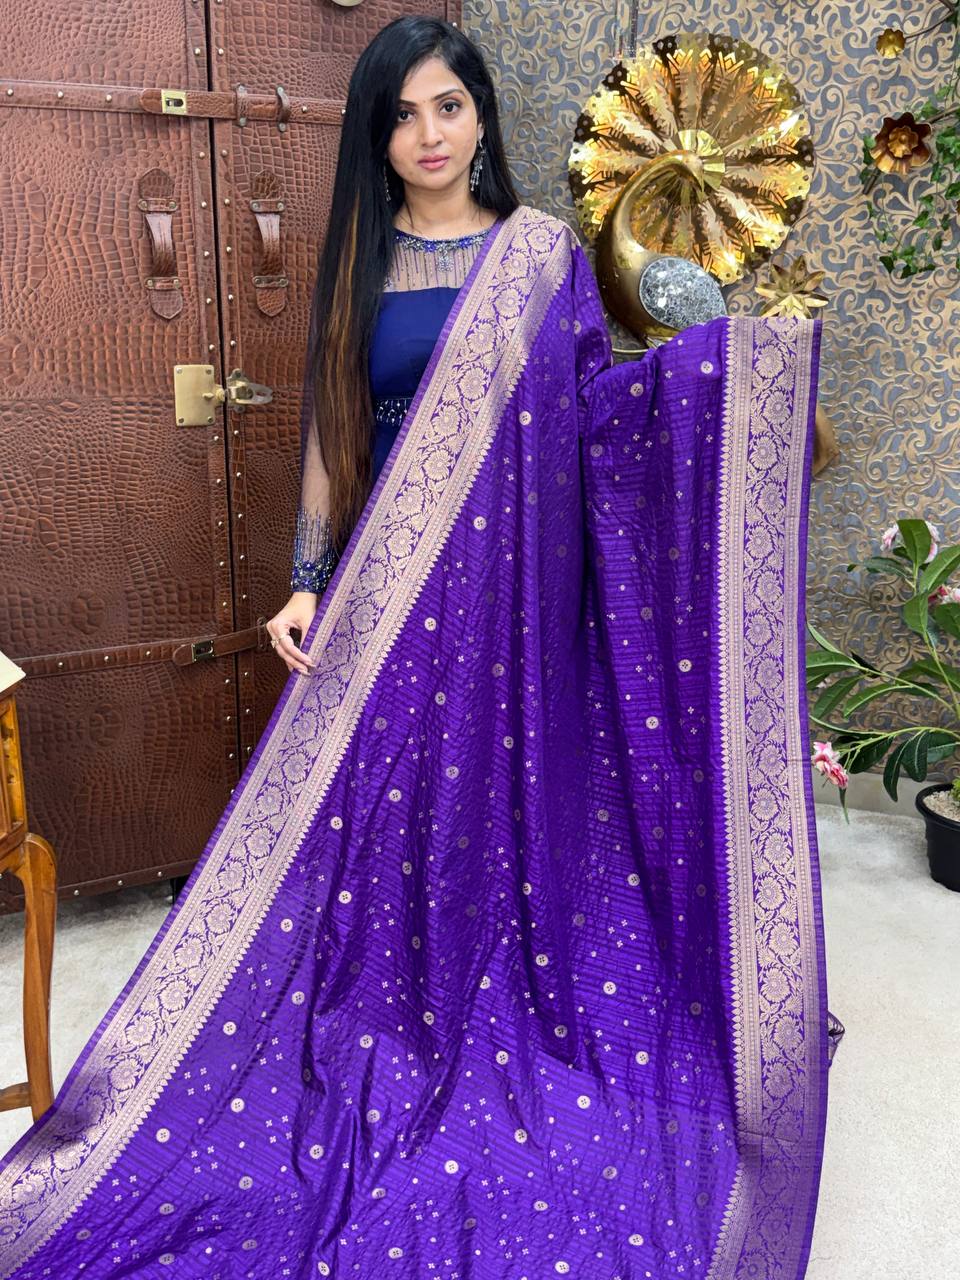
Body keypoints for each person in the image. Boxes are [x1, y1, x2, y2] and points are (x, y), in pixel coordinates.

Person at [0, 15, 840, 1279]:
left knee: (505, 811)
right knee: (387, 821)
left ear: (481, 115)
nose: (428, 135)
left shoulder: (541, 254)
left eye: (449, 106)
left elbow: (593, 420)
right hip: (393, 593)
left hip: (521, 596)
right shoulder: (363, 258)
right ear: (376, 136)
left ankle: (499, 997)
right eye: (401, 115)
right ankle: (397, 1008)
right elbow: (337, 428)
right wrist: (304, 582)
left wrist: (722, 376)